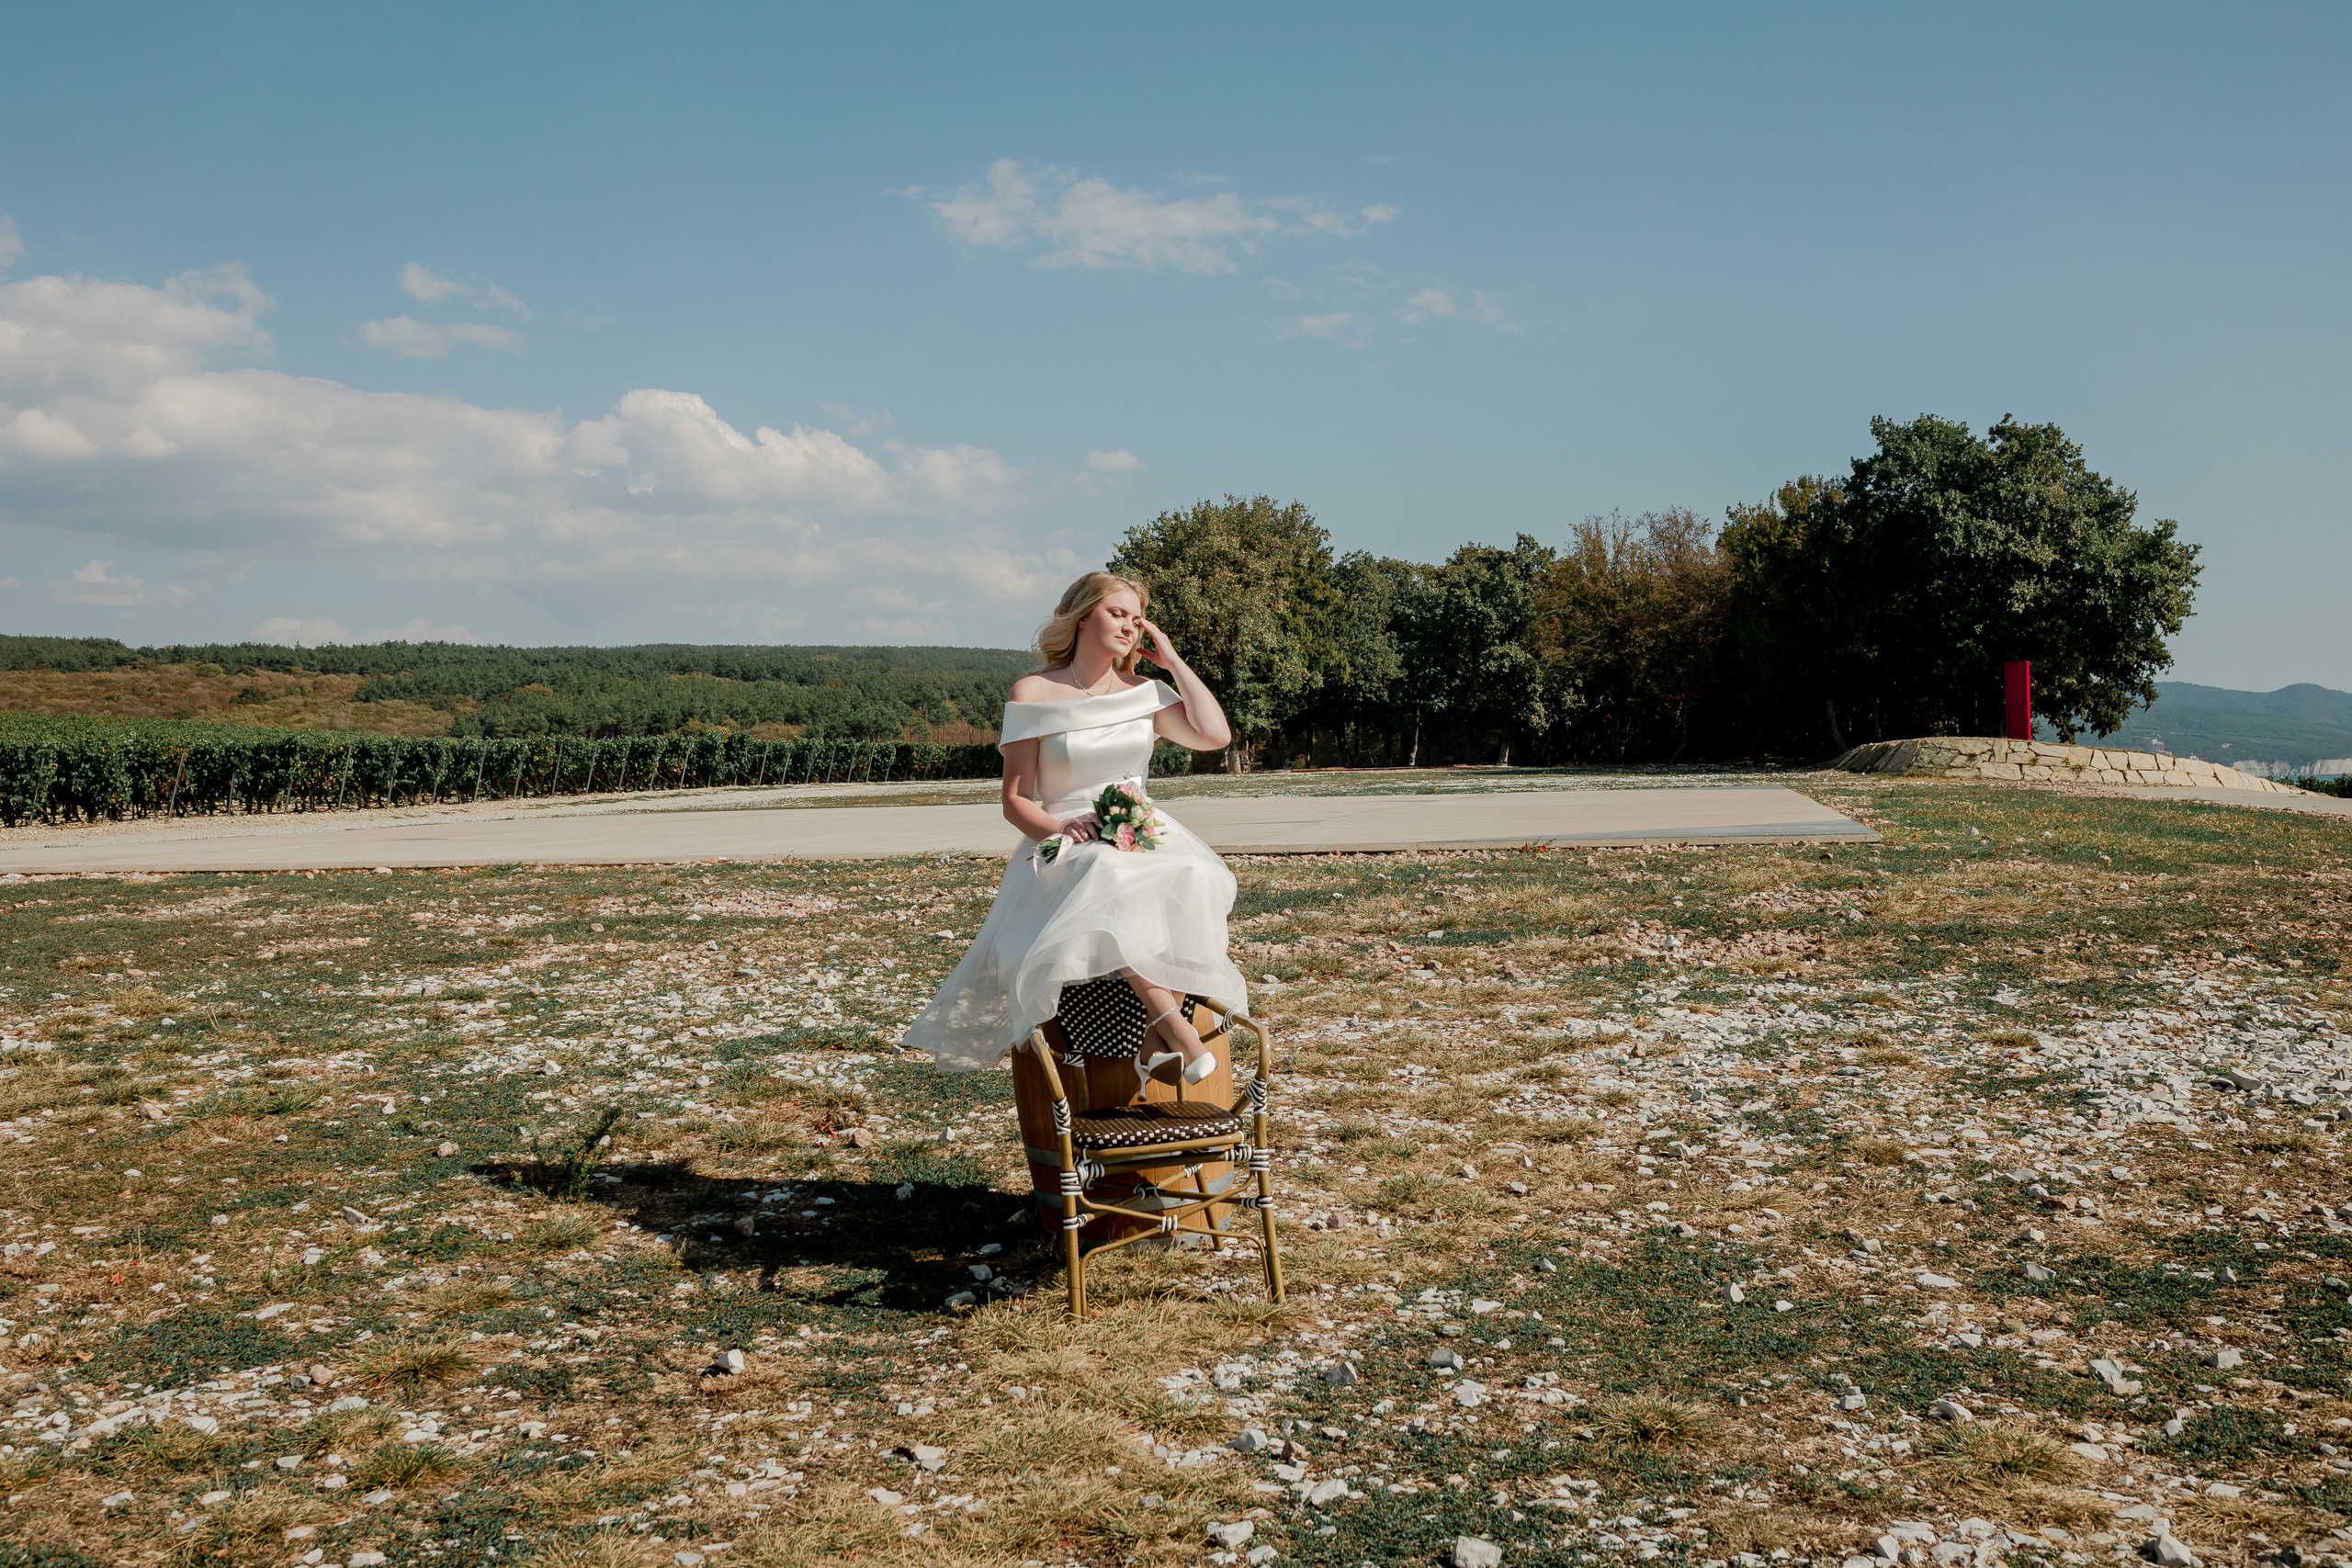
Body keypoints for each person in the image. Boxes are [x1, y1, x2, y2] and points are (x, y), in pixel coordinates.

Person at [903, 570, 1245, 1084]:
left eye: (1137, 618)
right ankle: (1178, 1029)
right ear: (1083, 615)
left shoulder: (1145, 691)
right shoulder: (1035, 690)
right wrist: (1061, 829)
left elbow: (1214, 736)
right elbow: (1015, 800)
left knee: (1195, 876)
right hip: (1068, 835)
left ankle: (1159, 1039)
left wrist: (1171, 661)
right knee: (1106, 871)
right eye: (1117, 613)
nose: (1130, 626)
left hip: (1140, 827)